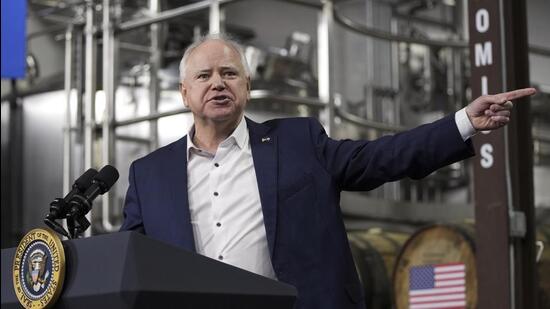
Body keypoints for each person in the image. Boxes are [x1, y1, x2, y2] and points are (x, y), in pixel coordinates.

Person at [120, 33, 536, 309]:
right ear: (185, 93)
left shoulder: (299, 142)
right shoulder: (149, 175)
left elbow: (383, 157)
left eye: (229, 73)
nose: (218, 83)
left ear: (246, 86)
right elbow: (132, 269)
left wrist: (462, 121)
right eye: (204, 75)